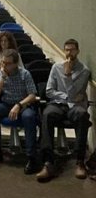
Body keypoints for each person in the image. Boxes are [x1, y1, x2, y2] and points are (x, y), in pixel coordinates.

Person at [37, 39, 92, 182]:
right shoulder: (56, 67)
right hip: (58, 104)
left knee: (82, 115)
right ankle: (48, 162)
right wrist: (66, 96)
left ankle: (79, 161)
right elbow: (49, 91)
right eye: (67, 50)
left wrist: (67, 76)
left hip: (75, 107)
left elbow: (75, 96)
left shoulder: (84, 71)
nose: (69, 53)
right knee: (47, 114)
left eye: (72, 50)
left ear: (77, 51)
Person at [0, 51, 42, 174]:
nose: (4, 66)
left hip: (23, 105)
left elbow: (32, 95)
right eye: (3, 63)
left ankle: (32, 157)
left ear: (15, 64)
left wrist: (19, 105)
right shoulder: (0, 74)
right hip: (6, 104)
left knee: (29, 117)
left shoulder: (25, 74)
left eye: (8, 63)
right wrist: (2, 79)